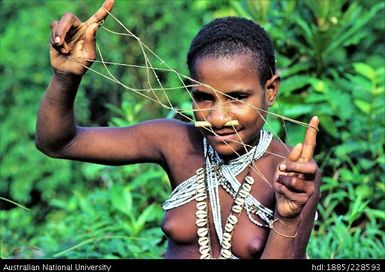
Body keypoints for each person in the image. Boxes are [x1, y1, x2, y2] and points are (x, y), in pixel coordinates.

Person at [36, 0, 321, 259]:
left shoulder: (292, 176)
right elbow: (59, 143)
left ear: (270, 91)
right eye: (204, 97)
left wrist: (288, 217)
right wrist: (66, 76)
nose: (218, 118)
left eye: (237, 98)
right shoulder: (176, 142)